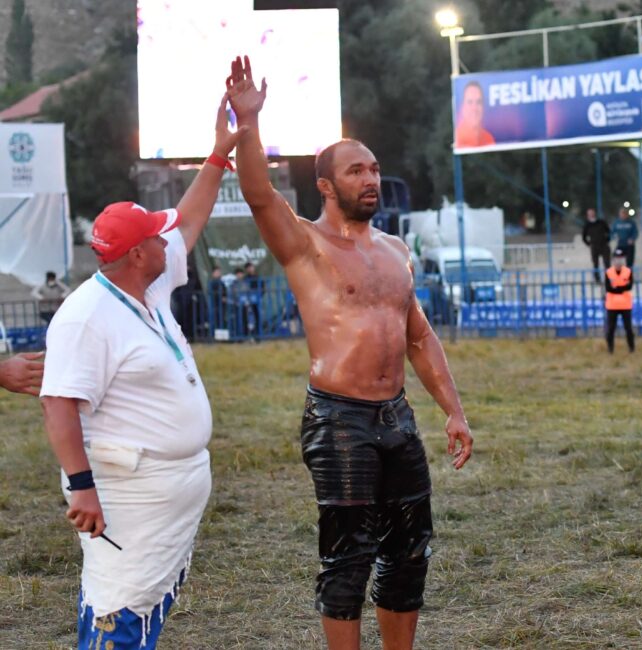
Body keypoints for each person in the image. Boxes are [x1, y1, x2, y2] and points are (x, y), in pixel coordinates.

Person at [226, 56, 472, 650]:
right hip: (338, 417)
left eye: (374, 168)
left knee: (411, 548)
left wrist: (454, 409)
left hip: (397, 416)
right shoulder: (305, 244)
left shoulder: (394, 250)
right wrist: (248, 124)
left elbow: (419, 336)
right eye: (356, 170)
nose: (370, 178)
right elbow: (259, 194)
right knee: (348, 556)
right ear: (327, 185)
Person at [37, 95, 243, 649]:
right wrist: (81, 489)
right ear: (135, 254)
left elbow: (191, 219)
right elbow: (57, 403)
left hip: (159, 488)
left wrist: (219, 155)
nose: (166, 238)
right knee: (118, 610)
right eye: (156, 235)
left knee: (125, 602)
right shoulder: (86, 315)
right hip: (126, 492)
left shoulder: (145, 285)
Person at [604, 249, 635, 354]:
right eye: (616, 259)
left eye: (621, 259)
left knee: (629, 329)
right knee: (610, 329)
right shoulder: (608, 272)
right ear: (613, 260)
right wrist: (622, 288)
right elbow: (608, 288)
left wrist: (617, 288)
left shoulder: (628, 272)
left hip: (625, 305)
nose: (619, 261)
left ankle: (632, 349)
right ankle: (610, 349)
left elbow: (629, 286)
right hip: (612, 305)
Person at [453, 81, 495, 148]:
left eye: (478, 102)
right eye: (470, 102)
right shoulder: (458, 138)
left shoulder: (489, 138)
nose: (474, 108)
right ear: (462, 107)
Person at [581, 207, 611, 283]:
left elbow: (608, 232)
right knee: (595, 263)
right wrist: (589, 244)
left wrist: (607, 240)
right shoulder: (587, 225)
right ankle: (597, 279)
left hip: (604, 245)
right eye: (589, 213)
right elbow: (584, 237)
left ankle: (608, 278)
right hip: (594, 246)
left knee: (607, 263)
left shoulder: (601, 222)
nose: (591, 215)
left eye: (592, 213)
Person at [207, 265, 230, 331]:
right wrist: (220, 297)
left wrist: (225, 297)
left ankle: (222, 334)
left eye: (219, 272)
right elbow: (211, 293)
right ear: (213, 273)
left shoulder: (221, 282)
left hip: (222, 305)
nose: (218, 273)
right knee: (216, 319)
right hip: (215, 305)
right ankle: (215, 334)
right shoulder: (211, 282)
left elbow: (225, 292)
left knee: (222, 319)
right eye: (217, 272)